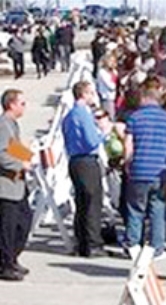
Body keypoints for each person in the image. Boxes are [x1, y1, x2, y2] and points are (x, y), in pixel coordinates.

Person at [123, 78, 166, 259]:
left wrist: (127, 163)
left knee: (135, 209)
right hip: (160, 170)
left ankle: (133, 244)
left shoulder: (135, 117)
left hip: (139, 168)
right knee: (158, 210)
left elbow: (128, 145)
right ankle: (157, 247)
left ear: (144, 98)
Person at [62, 81, 108, 258]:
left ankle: (82, 241)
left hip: (74, 160)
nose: (93, 96)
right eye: (91, 93)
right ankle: (93, 243)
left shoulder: (70, 115)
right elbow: (91, 140)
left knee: (82, 203)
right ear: (84, 94)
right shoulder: (83, 114)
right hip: (87, 160)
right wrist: (103, 132)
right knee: (92, 203)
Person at [0, 89, 32, 281]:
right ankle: (6, 264)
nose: (24, 107)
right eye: (22, 103)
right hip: (7, 185)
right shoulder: (3, 125)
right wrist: (21, 164)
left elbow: (13, 147)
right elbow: (2, 154)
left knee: (22, 222)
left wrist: (29, 155)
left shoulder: (11, 124)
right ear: (11, 104)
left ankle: (11, 258)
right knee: (8, 227)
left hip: (17, 184)